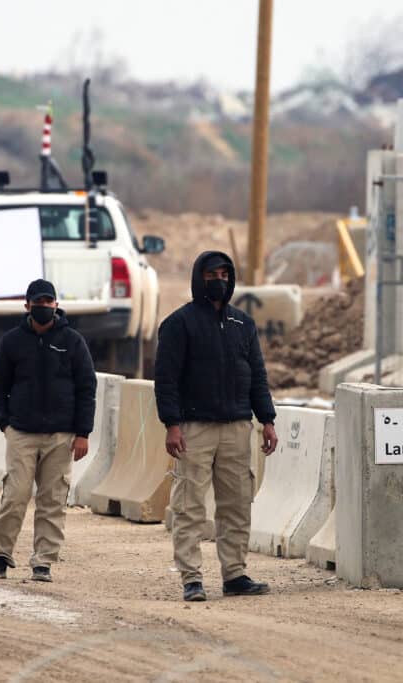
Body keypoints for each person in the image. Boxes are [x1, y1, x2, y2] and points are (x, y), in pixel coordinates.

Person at [155, 251, 278, 602]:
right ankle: (192, 577)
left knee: (237, 504)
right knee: (190, 506)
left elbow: (257, 375)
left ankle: (235, 574)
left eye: (225, 273)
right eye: (212, 274)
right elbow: (166, 380)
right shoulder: (179, 324)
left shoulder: (243, 324)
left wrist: (267, 419)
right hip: (194, 429)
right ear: (199, 278)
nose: (219, 279)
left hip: (238, 427)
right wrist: (172, 424)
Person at [0, 279, 97, 582]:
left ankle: (43, 561)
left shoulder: (73, 341)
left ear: (56, 305)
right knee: (15, 495)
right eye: (38, 302)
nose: (43, 307)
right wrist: (4, 422)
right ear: (27, 306)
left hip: (61, 436)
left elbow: (87, 388)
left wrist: (83, 432)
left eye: (49, 302)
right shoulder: (11, 341)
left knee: (53, 500)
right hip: (21, 432)